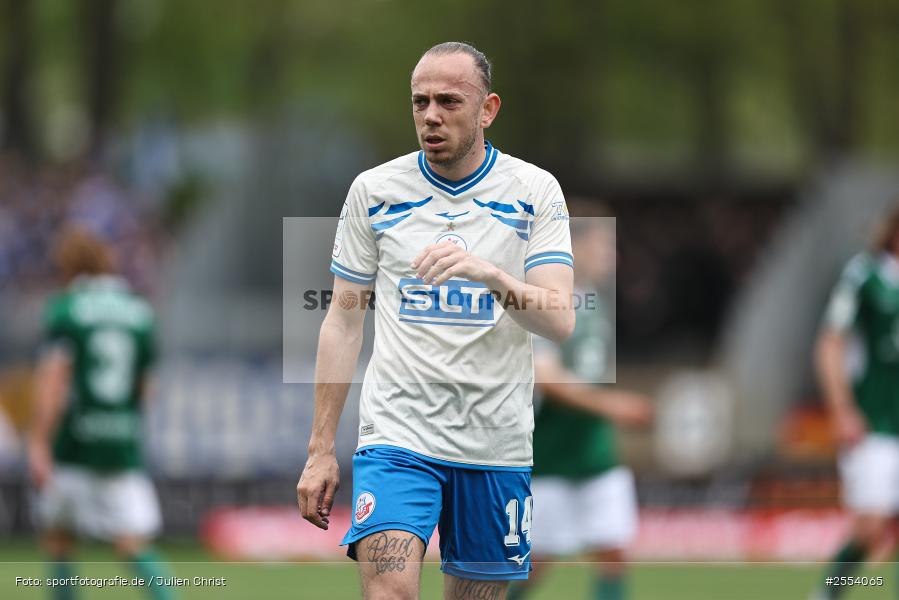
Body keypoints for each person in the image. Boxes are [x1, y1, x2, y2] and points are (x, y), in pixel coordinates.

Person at [296, 41, 575, 600]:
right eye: (420, 101)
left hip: (494, 442)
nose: (431, 115)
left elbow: (559, 319)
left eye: (449, 100)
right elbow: (343, 323)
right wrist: (320, 447)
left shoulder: (534, 192)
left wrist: (489, 274)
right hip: (397, 438)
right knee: (388, 592)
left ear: (488, 109)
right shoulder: (373, 191)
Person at [508, 215, 652, 600]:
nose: (612, 256)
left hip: (596, 453)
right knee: (534, 562)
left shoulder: (594, 302)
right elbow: (547, 377)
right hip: (551, 454)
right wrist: (611, 405)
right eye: (603, 247)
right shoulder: (547, 303)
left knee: (613, 552)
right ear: (574, 250)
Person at [28, 226, 175, 600]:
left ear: (67, 266)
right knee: (132, 543)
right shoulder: (139, 311)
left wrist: (38, 443)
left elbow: (54, 382)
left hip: (74, 442)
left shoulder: (67, 309)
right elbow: (146, 388)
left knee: (60, 538)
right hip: (120, 441)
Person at [810, 205, 899, 600]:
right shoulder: (865, 276)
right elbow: (831, 343)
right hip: (874, 422)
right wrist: (842, 409)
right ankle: (829, 591)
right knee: (870, 527)